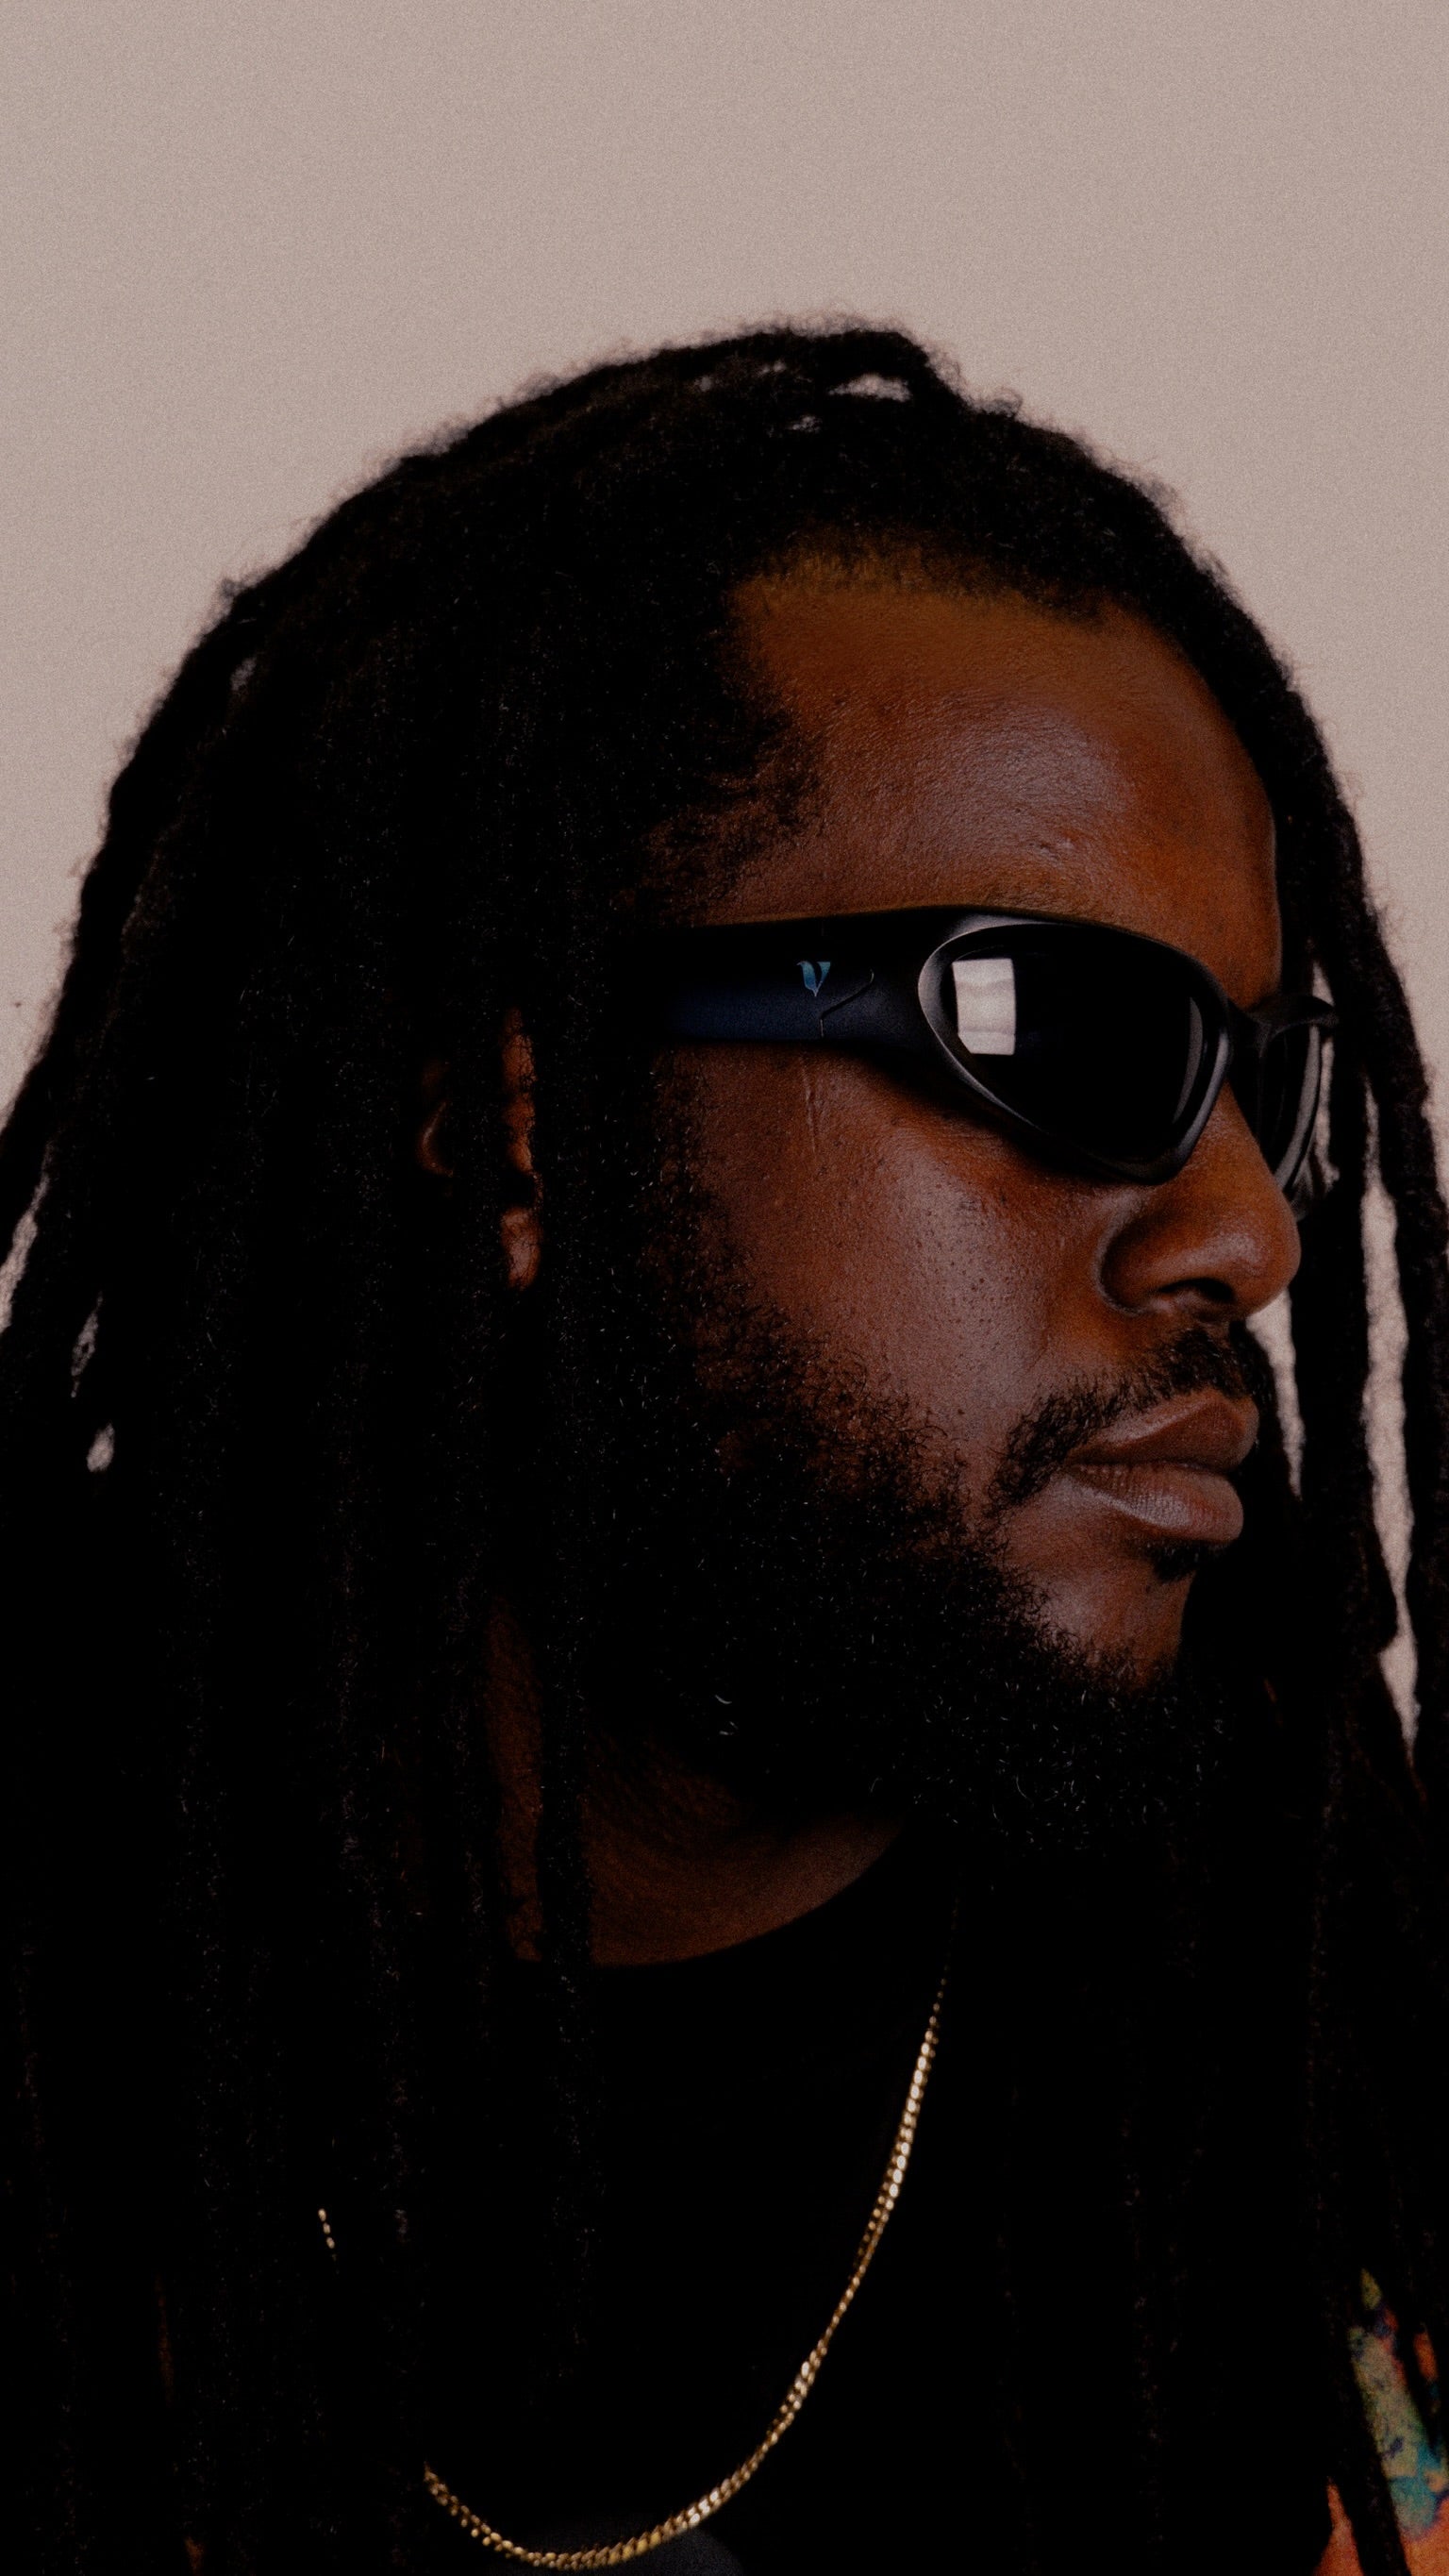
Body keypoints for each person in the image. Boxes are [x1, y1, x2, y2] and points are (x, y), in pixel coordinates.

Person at [6, 326, 1449, 2576]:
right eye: (1064, 1030)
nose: (1245, 1232)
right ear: (522, 1133)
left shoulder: (1309, 2056)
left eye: (1270, 1083)